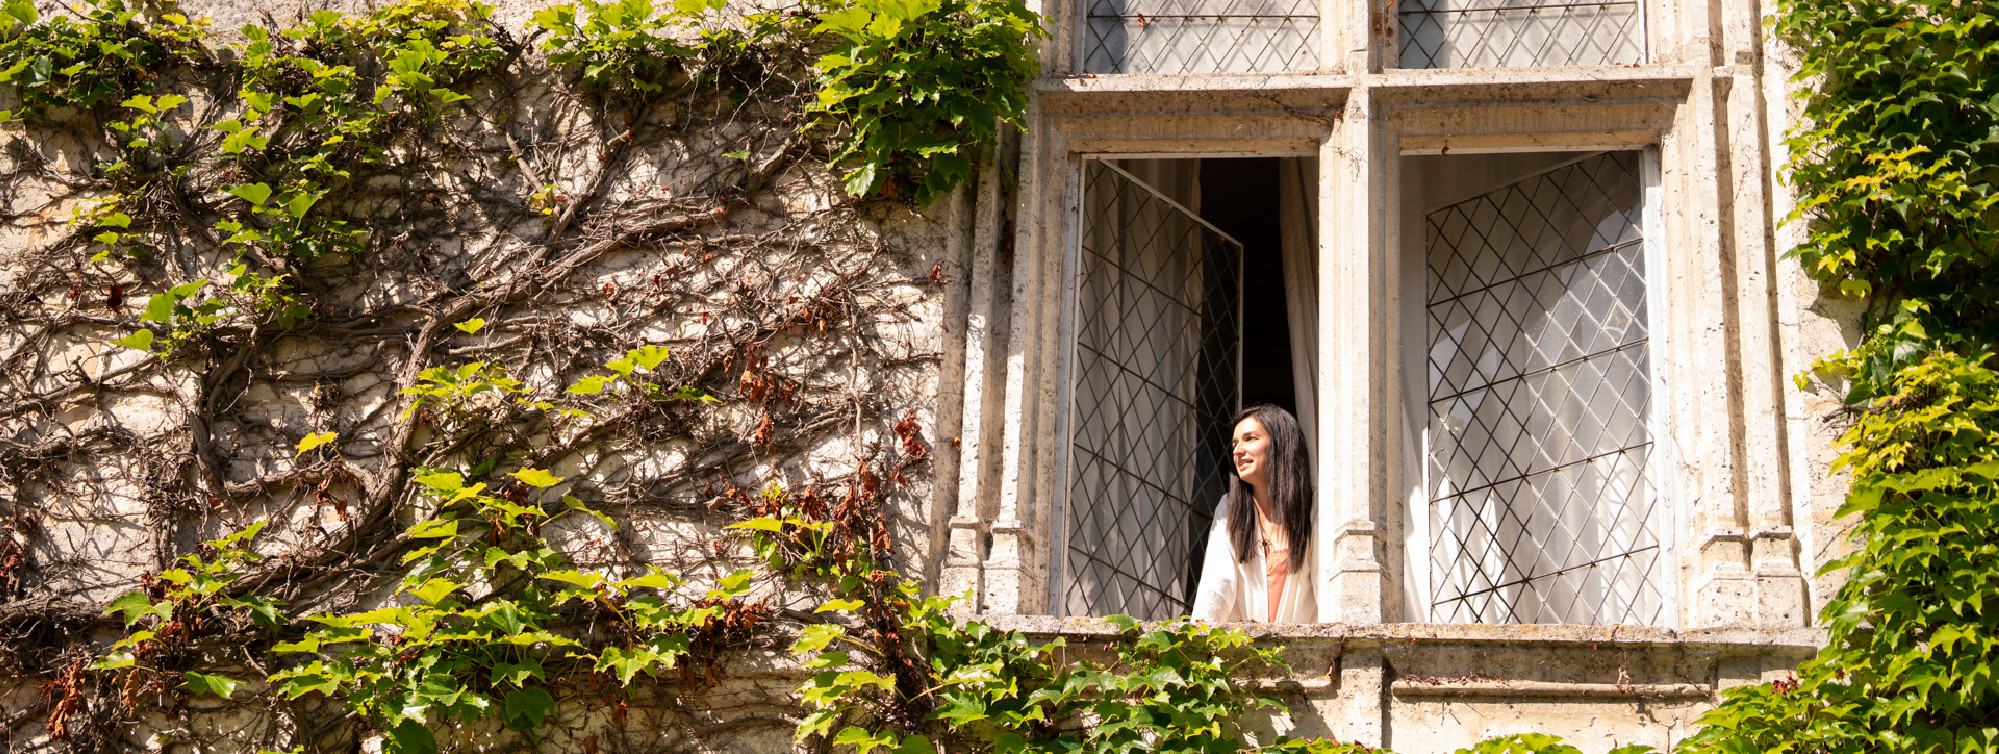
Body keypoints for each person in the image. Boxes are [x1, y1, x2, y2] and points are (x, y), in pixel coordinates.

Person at [1190, 404, 1317, 623]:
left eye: (1250, 439)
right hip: (1244, 653)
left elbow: (1329, 589)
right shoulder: (1229, 509)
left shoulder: (1315, 508)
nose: (1237, 450)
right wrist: (1198, 645)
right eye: (1235, 443)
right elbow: (1216, 586)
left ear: (1281, 444)